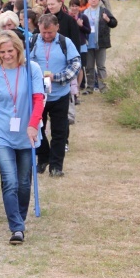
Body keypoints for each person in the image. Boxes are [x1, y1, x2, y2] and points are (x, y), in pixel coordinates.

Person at [0, 31, 45, 245]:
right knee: (10, 180)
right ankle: (16, 227)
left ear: (18, 49)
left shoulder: (31, 69)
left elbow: (38, 99)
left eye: (10, 51)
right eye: (2, 52)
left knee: (24, 183)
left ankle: (20, 217)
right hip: (0, 133)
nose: (7, 55)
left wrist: (34, 125)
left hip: (27, 133)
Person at [29, 14, 81, 177]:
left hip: (60, 94)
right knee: (37, 129)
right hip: (38, 96)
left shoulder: (66, 42)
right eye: (43, 32)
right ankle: (43, 158)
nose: (46, 36)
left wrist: (56, 77)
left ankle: (56, 166)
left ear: (57, 27)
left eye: (50, 32)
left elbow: (75, 64)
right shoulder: (32, 41)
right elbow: (25, 63)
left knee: (59, 131)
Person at [83, 0, 117, 94]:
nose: (93, 1)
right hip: (88, 43)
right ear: (88, 1)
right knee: (89, 66)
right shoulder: (85, 13)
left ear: (99, 1)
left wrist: (107, 20)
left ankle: (103, 87)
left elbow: (114, 23)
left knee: (101, 66)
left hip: (100, 43)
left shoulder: (104, 11)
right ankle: (90, 87)